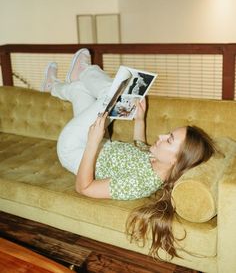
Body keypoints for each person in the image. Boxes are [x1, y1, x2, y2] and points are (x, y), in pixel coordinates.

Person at [41, 48, 216, 258]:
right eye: (168, 134)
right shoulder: (158, 162)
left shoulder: (140, 183)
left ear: (176, 161)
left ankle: (86, 70)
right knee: (80, 90)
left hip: (75, 150)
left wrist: (92, 143)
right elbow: (139, 147)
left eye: (169, 140)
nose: (160, 136)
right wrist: (140, 119)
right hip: (96, 142)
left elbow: (84, 187)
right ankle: (54, 86)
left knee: (109, 93)